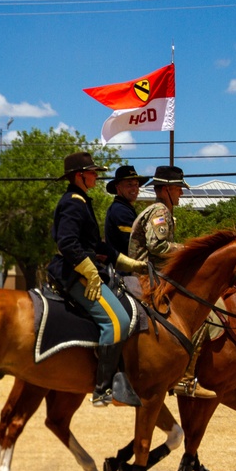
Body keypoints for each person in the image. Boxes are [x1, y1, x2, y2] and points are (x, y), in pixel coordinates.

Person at [47, 151, 147, 408]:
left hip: (86, 268)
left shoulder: (81, 200)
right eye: (92, 172)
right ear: (80, 176)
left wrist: (131, 264)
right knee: (118, 321)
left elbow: (98, 246)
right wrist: (90, 272)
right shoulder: (72, 201)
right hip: (74, 273)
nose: (96, 176)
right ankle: (103, 388)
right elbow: (67, 242)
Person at [128, 165, 217, 399]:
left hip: (152, 276)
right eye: (178, 188)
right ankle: (185, 378)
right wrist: (188, 250)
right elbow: (157, 247)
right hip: (148, 279)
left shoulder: (160, 210)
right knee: (202, 318)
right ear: (166, 189)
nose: (181, 193)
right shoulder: (160, 212)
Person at [104, 164, 148, 257]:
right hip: (123, 269)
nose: (134, 189)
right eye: (129, 184)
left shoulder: (125, 208)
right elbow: (132, 243)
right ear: (118, 187)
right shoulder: (120, 210)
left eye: (136, 184)